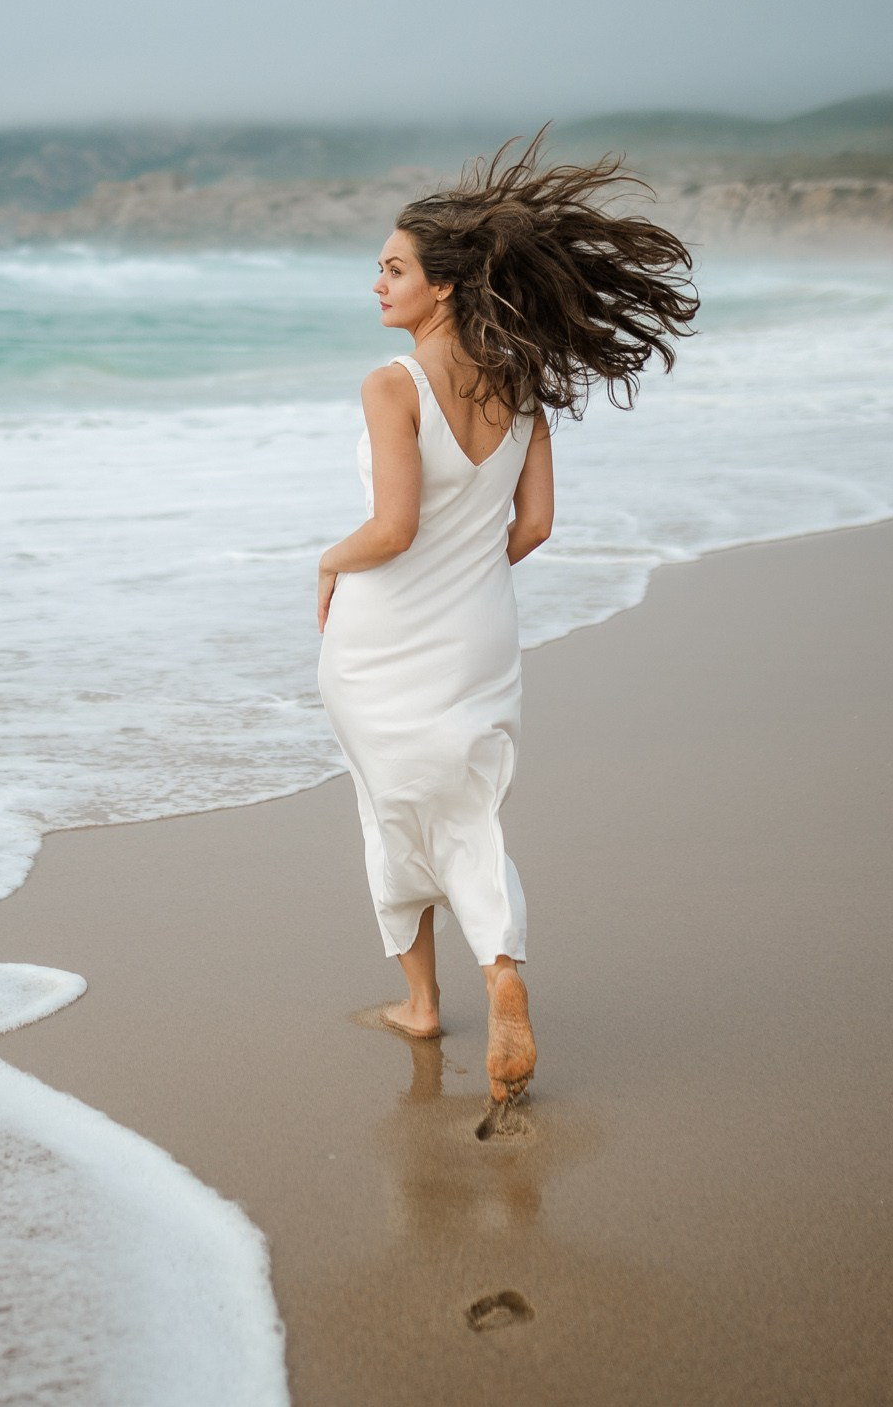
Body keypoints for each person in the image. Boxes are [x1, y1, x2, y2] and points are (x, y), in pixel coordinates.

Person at [316, 135, 699, 1107]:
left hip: (383, 638)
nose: (378, 284)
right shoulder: (521, 382)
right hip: (480, 631)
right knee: (469, 811)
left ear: (441, 286)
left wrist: (326, 558)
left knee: (389, 808)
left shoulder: (391, 385)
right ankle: (501, 970)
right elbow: (534, 524)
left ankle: (419, 1003)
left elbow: (392, 527)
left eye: (393, 268)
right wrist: (470, 573)